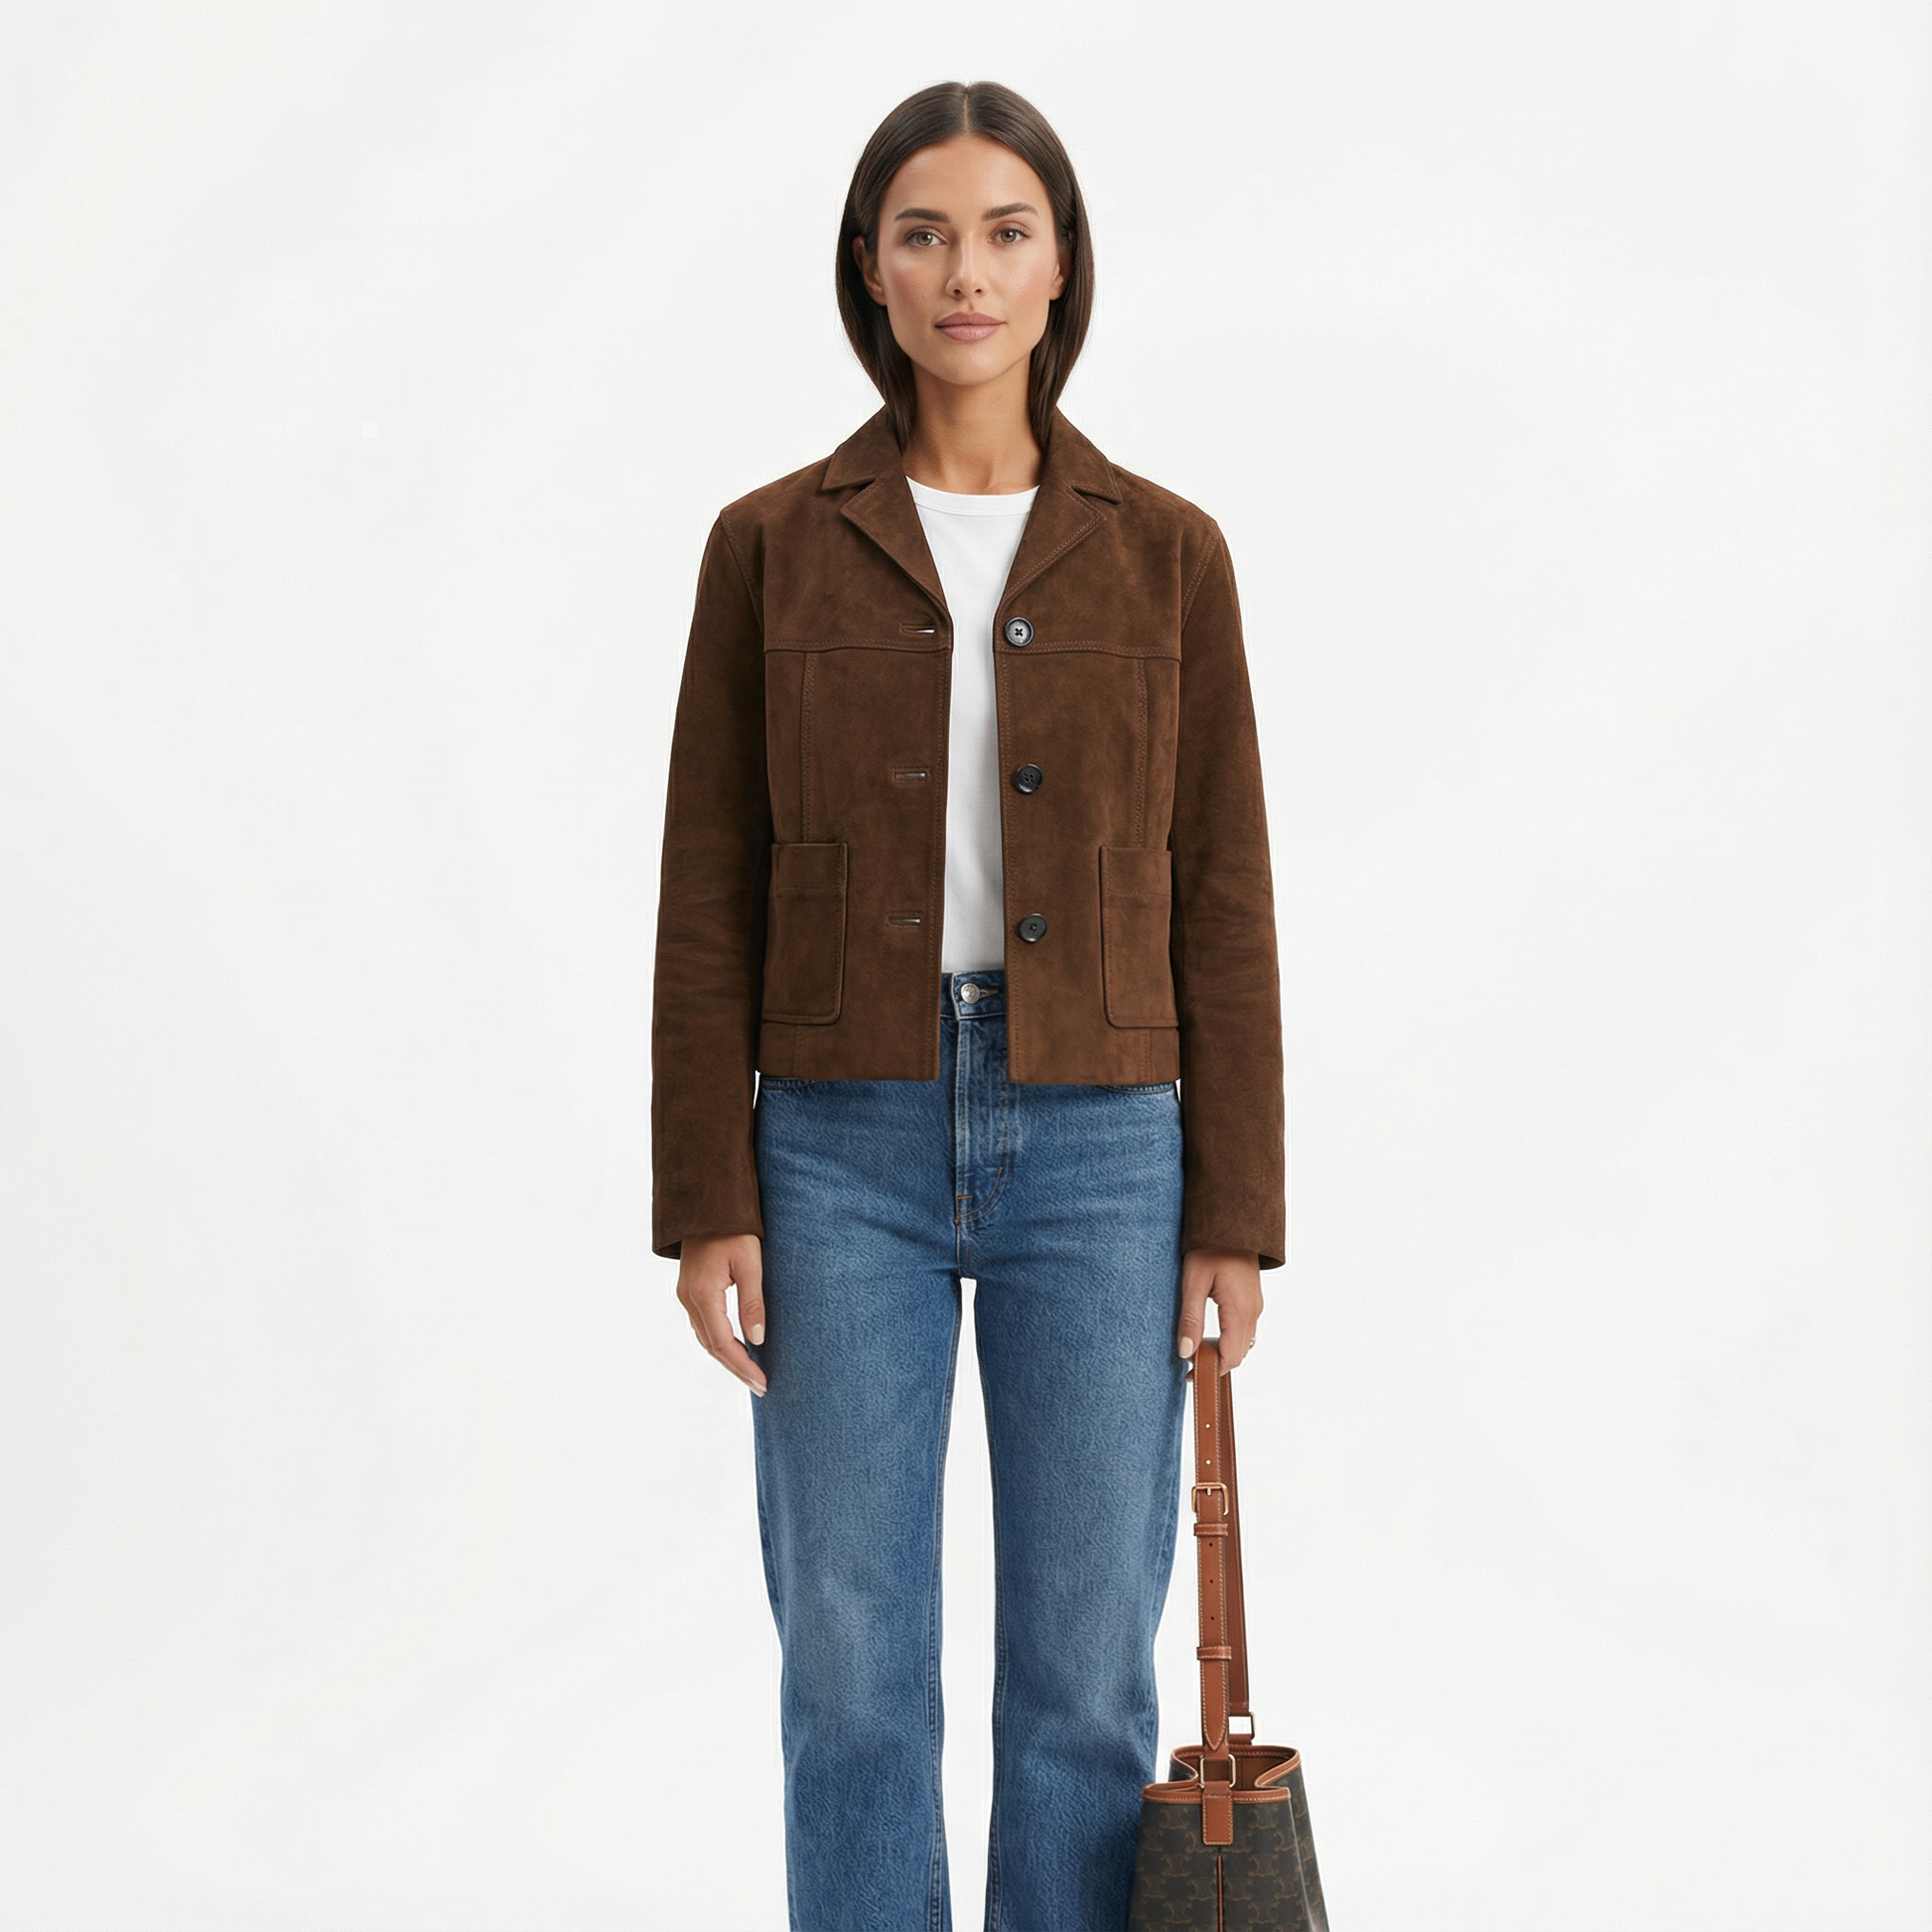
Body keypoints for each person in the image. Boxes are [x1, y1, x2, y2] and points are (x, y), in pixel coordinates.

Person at [651, 78, 1285, 1932]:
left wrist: (1233, 1208)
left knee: (1083, 1680)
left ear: (1061, 262)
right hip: (832, 1144)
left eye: (1005, 232)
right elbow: (707, 885)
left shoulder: (1166, 551)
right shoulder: (769, 544)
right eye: (923, 233)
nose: (965, 273)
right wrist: (707, 1193)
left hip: (1106, 1148)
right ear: (869, 264)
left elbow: (1223, 892)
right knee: (850, 1671)